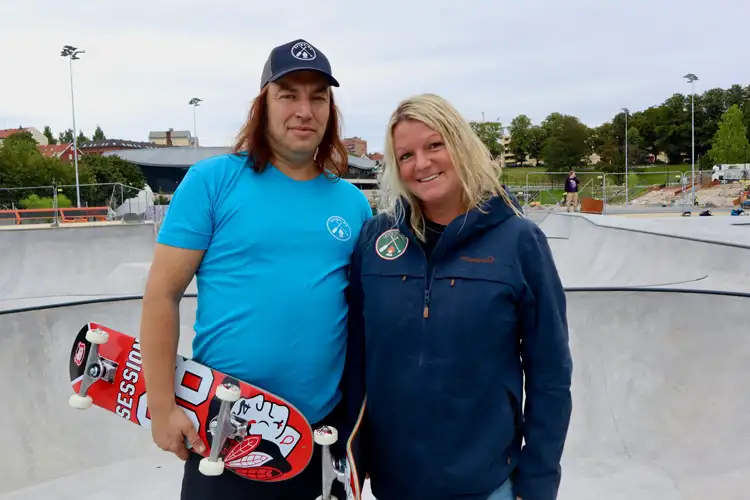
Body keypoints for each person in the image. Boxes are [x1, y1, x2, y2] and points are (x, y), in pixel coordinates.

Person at [139, 38, 372, 500]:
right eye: (288, 94)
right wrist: (163, 405)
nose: (304, 109)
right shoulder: (213, 180)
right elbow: (161, 293)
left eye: (318, 97)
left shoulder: (352, 202)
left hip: (318, 435)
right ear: (262, 105)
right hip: (225, 431)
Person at [344, 94, 573, 500]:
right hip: (395, 483)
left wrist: (538, 482)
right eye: (406, 155)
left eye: (435, 145)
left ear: (461, 145)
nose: (423, 163)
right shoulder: (376, 239)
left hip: (485, 483)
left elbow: (550, 374)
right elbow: (356, 359)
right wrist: (352, 463)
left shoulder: (520, 241)